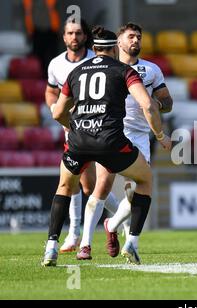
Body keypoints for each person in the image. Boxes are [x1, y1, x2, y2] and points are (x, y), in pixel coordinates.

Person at [41, 26, 172, 267]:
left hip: (79, 141)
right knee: (144, 180)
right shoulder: (124, 71)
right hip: (111, 140)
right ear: (114, 48)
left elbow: (58, 111)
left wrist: (73, 127)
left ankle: (51, 248)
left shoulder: (76, 71)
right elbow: (149, 106)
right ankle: (131, 242)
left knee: (64, 187)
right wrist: (161, 135)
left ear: (93, 49)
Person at [45, 18, 120, 253]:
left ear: (86, 36)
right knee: (79, 184)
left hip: (100, 128)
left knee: (90, 186)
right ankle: (75, 234)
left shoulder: (96, 59)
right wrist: (58, 115)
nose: (74, 37)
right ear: (64, 37)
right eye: (70, 33)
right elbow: (50, 92)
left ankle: (117, 220)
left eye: (78, 33)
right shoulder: (56, 64)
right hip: (74, 130)